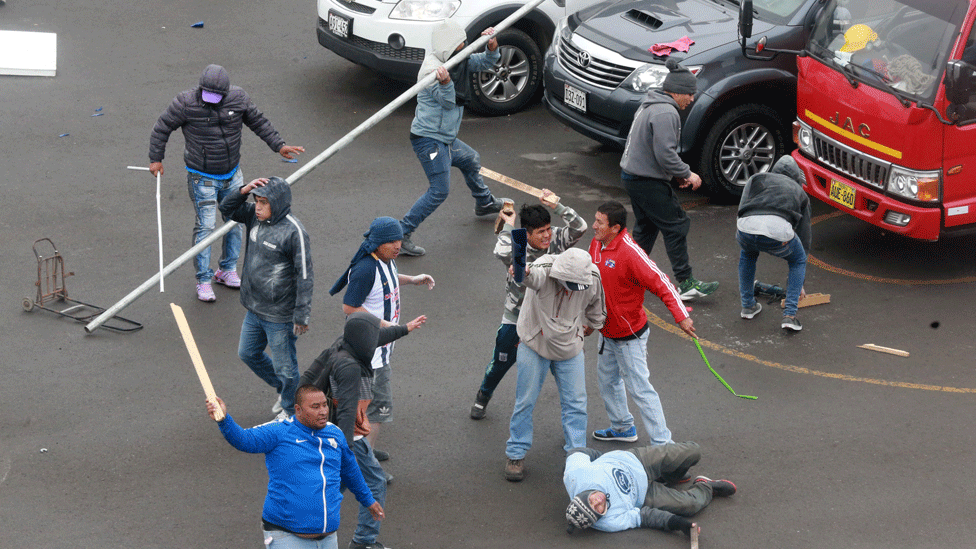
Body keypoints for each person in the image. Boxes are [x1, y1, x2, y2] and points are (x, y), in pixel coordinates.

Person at [149, 64, 304, 302]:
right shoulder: (185, 103)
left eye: (216, 97)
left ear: (226, 92)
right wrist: (156, 159)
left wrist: (279, 145)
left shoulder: (239, 99)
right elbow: (162, 128)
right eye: (207, 95)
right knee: (206, 228)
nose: (211, 101)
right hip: (202, 178)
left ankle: (226, 270)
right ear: (200, 88)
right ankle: (203, 280)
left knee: (235, 223)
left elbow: (259, 122)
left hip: (233, 174)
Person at [300, 312, 426, 549]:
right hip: (348, 435)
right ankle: (364, 542)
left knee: (338, 484)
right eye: (372, 334)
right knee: (375, 482)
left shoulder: (345, 343)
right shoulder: (350, 369)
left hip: (335, 432)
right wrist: (345, 451)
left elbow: (376, 336)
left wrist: (405, 328)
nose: (376, 338)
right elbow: (347, 411)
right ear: (363, 339)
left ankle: (308, 526)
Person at [206, 385, 383, 549]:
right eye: (315, 407)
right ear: (298, 410)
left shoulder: (335, 433)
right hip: (286, 535)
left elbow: (349, 470)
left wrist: (368, 500)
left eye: (324, 405)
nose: (323, 412)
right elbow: (244, 440)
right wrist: (224, 420)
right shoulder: (278, 432)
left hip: (328, 538)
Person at [470, 191, 587, 420]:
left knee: (564, 372)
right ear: (527, 233)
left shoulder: (557, 239)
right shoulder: (519, 242)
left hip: (553, 318)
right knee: (501, 362)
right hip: (518, 316)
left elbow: (580, 227)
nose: (547, 236)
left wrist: (558, 206)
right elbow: (501, 251)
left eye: (548, 229)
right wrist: (508, 225)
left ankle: (572, 417)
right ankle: (484, 394)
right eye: (540, 232)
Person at [588, 201, 696, 445]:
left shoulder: (630, 253)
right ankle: (622, 427)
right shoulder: (596, 244)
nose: (593, 226)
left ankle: (663, 444)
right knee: (607, 382)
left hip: (629, 336)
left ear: (615, 228)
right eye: (595, 220)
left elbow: (661, 282)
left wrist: (681, 316)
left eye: (599, 222)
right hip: (606, 332)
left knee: (640, 389)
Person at [329, 217, 435, 466]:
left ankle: (364, 452)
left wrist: (412, 279)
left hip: (379, 351)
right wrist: (388, 326)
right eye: (391, 241)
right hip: (371, 357)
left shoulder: (386, 261)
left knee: (367, 411)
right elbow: (349, 307)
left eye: (399, 240)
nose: (398, 245)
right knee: (374, 413)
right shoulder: (366, 269)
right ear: (377, 243)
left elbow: (389, 280)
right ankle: (366, 465)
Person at [398, 20, 507, 256]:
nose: (466, 47)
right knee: (439, 190)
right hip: (429, 140)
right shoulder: (431, 72)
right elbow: (448, 102)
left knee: (471, 159)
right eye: (462, 44)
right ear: (450, 48)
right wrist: (446, 83)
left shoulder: (459, 59)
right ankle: (402, 234)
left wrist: (491, 46)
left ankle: (484, 203)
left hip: (445, 139)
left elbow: (487, 62)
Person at [504, 248, 606, 482]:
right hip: (534, 344)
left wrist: (589, 326)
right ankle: (516, 453)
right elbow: (529, 276)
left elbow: (596, 310)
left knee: (577, 404)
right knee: (525, 401)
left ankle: (577, 455)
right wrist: (522, 270)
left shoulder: (593, 277)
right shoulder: (544, 268)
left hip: (569, 348)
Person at [620, 57, 717, 301]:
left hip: (633, 176)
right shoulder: (666, 112)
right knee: (676, 225)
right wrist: (687, 173)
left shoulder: (651, 104)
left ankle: (628, 277)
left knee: (646, 229)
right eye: (690, 94)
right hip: (646, 181)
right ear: (678, 92)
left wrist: (675, 175)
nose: (692, 99)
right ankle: (686, 283)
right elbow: (665, 154)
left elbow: (655, 151)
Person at [220, 176, 313, 421]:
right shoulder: (252, 215)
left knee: (285, 366)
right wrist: (244, 190)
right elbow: (226, 209)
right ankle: (287, 392)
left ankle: (292, 412)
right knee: (248, 353)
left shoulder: (294, 232)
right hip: (254, 308)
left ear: (278, 203)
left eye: (264, 202)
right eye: (257, 201)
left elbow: (305, 275)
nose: (258, 207)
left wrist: (301, 315)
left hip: (280, 316)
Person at [563, 443, 735, 536]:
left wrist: (603, 459)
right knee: (690, 506)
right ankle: (706, 486)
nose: (599, 501)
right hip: (643, 494)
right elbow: (646, 517)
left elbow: (576, 451)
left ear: (583, 494)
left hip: (635, 460)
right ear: (600, 517)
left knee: (694, 451)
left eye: (591, 500)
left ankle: (671, 476)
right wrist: (680, 524)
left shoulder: (576, 475)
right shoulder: (609, 522)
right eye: (598, 508)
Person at [736, 155, 811, 331]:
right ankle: (790, 316)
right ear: (796, 177)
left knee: (747, 254)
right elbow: (804, 233)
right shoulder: (798, 191)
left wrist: (744, 235)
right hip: (778, 231)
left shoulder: (756, 179)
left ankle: (748, 306)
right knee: (798, 260)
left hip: (746, 226)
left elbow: (742, 208)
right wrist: (799, 283)